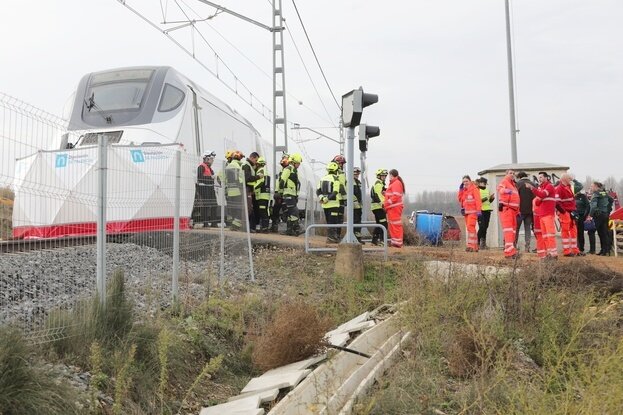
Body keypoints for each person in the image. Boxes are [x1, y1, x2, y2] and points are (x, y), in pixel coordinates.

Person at [525, 172, 558, 260]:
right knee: (545, 236)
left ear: (546, 178)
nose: (539, 179)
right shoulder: (542, 188)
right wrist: (539, 195)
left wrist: (532, 188)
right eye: (539, 177)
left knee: (550, 235)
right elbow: (537, 201)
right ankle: (549, 253)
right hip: (542, 214)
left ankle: (553, 254)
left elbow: (542, 195)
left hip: (547, 214)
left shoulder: (549, 186)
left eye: (541, 177)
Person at [497, 170, 520, 259]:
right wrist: (505, 190)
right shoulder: (505, 181)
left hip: (513, 211)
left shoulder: (513, 185)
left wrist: (518, 211)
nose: (512, 175)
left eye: (514, 173)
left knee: (513, 231)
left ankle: (511, 250)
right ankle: (509, 252)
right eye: (510, 173)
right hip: (507, 209)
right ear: (506, 174)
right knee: (509, 231)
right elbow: (500, 189)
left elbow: (516, 199)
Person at [556, 173, 581, 257]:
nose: (570, 180)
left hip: (571, 211)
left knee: (574, 231)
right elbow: (557, 202)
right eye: (569, 179)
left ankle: (575, 250)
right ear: (564, 179)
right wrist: (563, 212)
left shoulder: (569, 187)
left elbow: (571, 200)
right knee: (565, 231)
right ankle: (566, 251)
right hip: (565, 212)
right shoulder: (559, 189)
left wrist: (574, 211)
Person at [317, 162, 342, 243]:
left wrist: (322, 198)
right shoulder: (336, 179)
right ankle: (332, 238)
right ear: (336, 170)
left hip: (325, 205)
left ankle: (331, 238)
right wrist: (327, 198)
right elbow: (335, 192)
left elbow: (318, 190)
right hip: (334, 204)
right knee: (333, 222)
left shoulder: (322, 178)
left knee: (329, 221)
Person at [279, 153, 303, 236]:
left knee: (290, 213)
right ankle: (297, 228)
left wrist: (296, 195)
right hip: (288, 194)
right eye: (298, 163)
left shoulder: (294, 170)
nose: (299, 165)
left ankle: (289, 230)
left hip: (292, 195)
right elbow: (282, 181)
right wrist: (281, 192)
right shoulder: (288, 169)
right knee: (294, 211)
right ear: (293, 162)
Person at [458, 175, 482, 252]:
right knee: (470, 229)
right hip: (466, 213)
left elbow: (478, 200)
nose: (465, 183)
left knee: (470, 227)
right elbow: (460, 199)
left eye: (466, 181)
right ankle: (475, 246)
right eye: (463, 182)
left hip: (473, 212)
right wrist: (460, 190)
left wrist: (479, 210)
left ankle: (471, 245)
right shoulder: (464, 190)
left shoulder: (474, 189)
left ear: (470, 181)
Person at [587, 182, 612, 256]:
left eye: (592, 186)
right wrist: (608, 210)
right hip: (605, 215)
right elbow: (611, 200)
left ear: (596, 187)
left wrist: (590, 215)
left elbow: (593, 206)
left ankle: (592, 250)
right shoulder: (604, 193)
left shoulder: (596, 194)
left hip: (598, 215)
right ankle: (605, 251)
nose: (591, 188)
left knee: (591, 231)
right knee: (603, 233)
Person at [195, 151, 217, 227]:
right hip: (204, 188)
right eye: (211, 159)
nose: (212, 161)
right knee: (206, 205)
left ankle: (214, 223)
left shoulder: (209, 168)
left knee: (214, 205)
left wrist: (212, 178)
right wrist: (210, 178)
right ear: (206, 159)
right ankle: (205, 223)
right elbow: (200, 178)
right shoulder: (201, 167)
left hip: (210, 188)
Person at [384, 169, 405, 248]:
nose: (388, 177)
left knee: (395, 225)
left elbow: (396, 196)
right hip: (392, 208)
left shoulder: (396, 183)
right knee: (393, 225)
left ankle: (398, 243)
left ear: (391, 175)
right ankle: (395, 242)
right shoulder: (394, 183)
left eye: (389, 175)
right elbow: (392, 195)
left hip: (394, 207)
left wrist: (387, 202)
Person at [224, 150, 245, 231]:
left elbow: (221, 178)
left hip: (230, 191)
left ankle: (233, 224)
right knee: (239, 208)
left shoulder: (227, 166)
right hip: (238, 191)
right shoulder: (240, 166)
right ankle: (236, 226)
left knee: (232, 208)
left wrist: (226, 186)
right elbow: (241, 179)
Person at [242, 152, 263, 232]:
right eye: (256, 160)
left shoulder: (250, 166)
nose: (256, 162)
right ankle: (248, 228)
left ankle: (250, 227)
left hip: (249, 190)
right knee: (249, 209)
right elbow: (247, 178)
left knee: (250, 208)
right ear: (252, 157)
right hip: (246, 189)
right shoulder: (246, 165)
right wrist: (258, 177)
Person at [515, 171, 535, 252]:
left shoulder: (518, 184)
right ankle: (527, 247)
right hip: (530, 211)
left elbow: (515, 197)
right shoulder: (533, 184)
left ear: (519, 177)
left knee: (516, 229)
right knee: (528, 229)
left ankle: (514, 246)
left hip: (520, 211)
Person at [270, 153, 289, 232]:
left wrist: (279, 192)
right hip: (280, 194)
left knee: (286, 212)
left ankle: (290, 228)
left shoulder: (288, 170)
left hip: (283, 194)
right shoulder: (282, 170)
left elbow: (283, 182)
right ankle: (274, 226)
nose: (283, 160)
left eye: (285, 158)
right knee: (275, 211)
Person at [370, 169, 388, 246]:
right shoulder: (378, 183)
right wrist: (383, 204)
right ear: (379, 176)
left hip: (376, 207)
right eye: (382, 176)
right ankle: (382, 241)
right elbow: (378, 195)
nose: (384, 177)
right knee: (384, 224)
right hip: (378, 207)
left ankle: (374, 241)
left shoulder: (381, 184)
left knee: (379, 224)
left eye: (385, 176)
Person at [476, 177, 494, 250]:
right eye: (483, 183)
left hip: (487, 210)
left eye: (485, 183)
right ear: (480, 183)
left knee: (485, 228)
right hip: (480, 211)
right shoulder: (477, 190)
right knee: (482, 227)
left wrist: (492, 198)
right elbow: (478, 201)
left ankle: (483, 244)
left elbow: (488, 202)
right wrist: (487, 198)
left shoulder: (487, 190)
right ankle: (477, 243)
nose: (484, 184)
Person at [253, 157, 271, 233]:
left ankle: (264, 228)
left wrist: (253, 189)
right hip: (265, 195)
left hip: (261, 195)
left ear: (258, 164)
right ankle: (265, 227)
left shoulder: (261, 171)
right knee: (264, 211)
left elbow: (260, 182)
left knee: (262, 212)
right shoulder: (265, 171)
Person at [332, 155, 347, 238]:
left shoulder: (332, 173)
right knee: (338, 218)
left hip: (335, 198)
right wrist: (345, 198)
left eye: (342, 164)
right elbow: (341, 186)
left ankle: (336, 235)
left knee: (337, 218)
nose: (342, 165)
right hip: (339, 198)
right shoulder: (339, 173)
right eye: (341, 163)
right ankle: (336, 235)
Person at [573, 180, 590, 254]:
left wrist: (584, 216)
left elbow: (588, 206)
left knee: (580, 233)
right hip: (573, 217)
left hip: (581, 217)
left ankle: (581, 248)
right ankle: (574, 247)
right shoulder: (572, 197)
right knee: (574, 233)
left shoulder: (583, 197)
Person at [353, 167, 364, 243]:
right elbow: (351, 194)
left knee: (358, 221)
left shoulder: (357, 182)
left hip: (358, 205)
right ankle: (355, 238)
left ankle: (358, 238)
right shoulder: (350, 182)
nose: (357, 175)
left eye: (358, 174)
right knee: (355, 221)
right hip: (354, 206)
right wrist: (355, 202)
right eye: (355, 174)